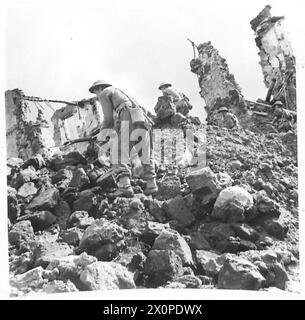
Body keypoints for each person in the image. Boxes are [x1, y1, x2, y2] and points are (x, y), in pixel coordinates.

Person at [89, 80, 158, 197]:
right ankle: (151, 185)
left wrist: (101, 135)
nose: (96, 95)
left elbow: (108, 119)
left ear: (99, 88)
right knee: (145, 152)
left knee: (118, 152)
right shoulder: (122, 92)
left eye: (95, 92)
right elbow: (117, 122)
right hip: (143, 118)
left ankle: (124, 186)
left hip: (128, 115)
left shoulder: (103, 93)